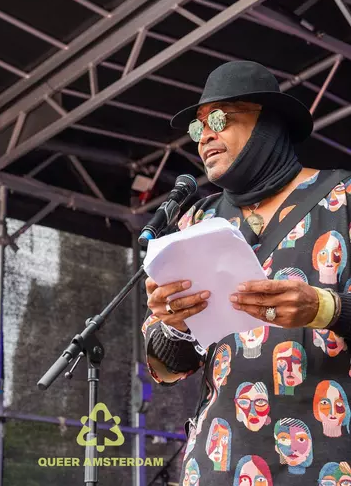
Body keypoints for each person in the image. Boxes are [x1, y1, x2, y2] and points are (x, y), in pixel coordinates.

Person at [141, 60, 351, 484]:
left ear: (269, 124)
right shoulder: (195, 221)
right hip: (218, 463)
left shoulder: (343, 197)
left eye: (220, 119)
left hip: (327, 464)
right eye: (199, 128)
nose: (206, 136)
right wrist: (174, 324)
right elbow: (169, 367)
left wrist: (325, 308)